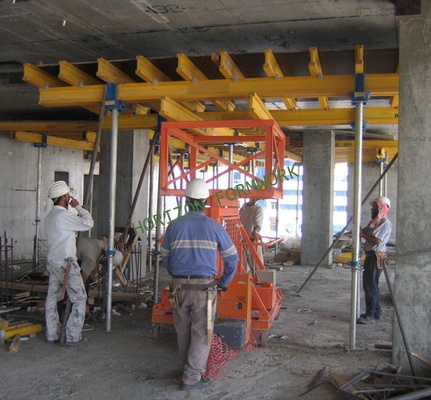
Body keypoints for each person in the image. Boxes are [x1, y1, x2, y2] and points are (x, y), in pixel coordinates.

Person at [161, 178, 238, 391]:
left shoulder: (173, 226)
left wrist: (177, 276)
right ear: (205, 201)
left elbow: (165, 258)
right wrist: (225, 281)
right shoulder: (214, 226)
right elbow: (232, 258)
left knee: (183, 331)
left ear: (186, 200)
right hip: (204, 289)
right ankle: (192, 378)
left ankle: (188, 370)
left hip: (178, 288)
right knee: (201, 333)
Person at [44, 181, 93, 346]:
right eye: (68, 195)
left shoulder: (51, 216)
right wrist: (79, 208)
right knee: (79, 297)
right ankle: (73, 336)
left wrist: (77, 211)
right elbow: (87, 224)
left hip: (53, 262)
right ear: (64, 197)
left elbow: (69, 223)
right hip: (66, 264)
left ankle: (52, 334)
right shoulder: (63, 216)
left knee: (52, 298)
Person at [357, 196, 392, 325]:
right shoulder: (374, 223)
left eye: (375, 207)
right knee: (372, 286)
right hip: (371, 255)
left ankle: (370, 315)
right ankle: (375, 312)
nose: (372, 209)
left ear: (382, 208)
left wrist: (362, 234)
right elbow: (364, 231)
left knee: (370, 286)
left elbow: (377, 240)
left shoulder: (385, 223)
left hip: (376, 256)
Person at [239, 198, 264, 275]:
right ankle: (243, 282)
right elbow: (238, 221)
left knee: (256, 265)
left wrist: (255, 231)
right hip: (242, 240)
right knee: (242, 265)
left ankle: (258, 281)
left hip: (253, 240)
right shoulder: (243, 208)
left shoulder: (258, 208)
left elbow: (258, 223)